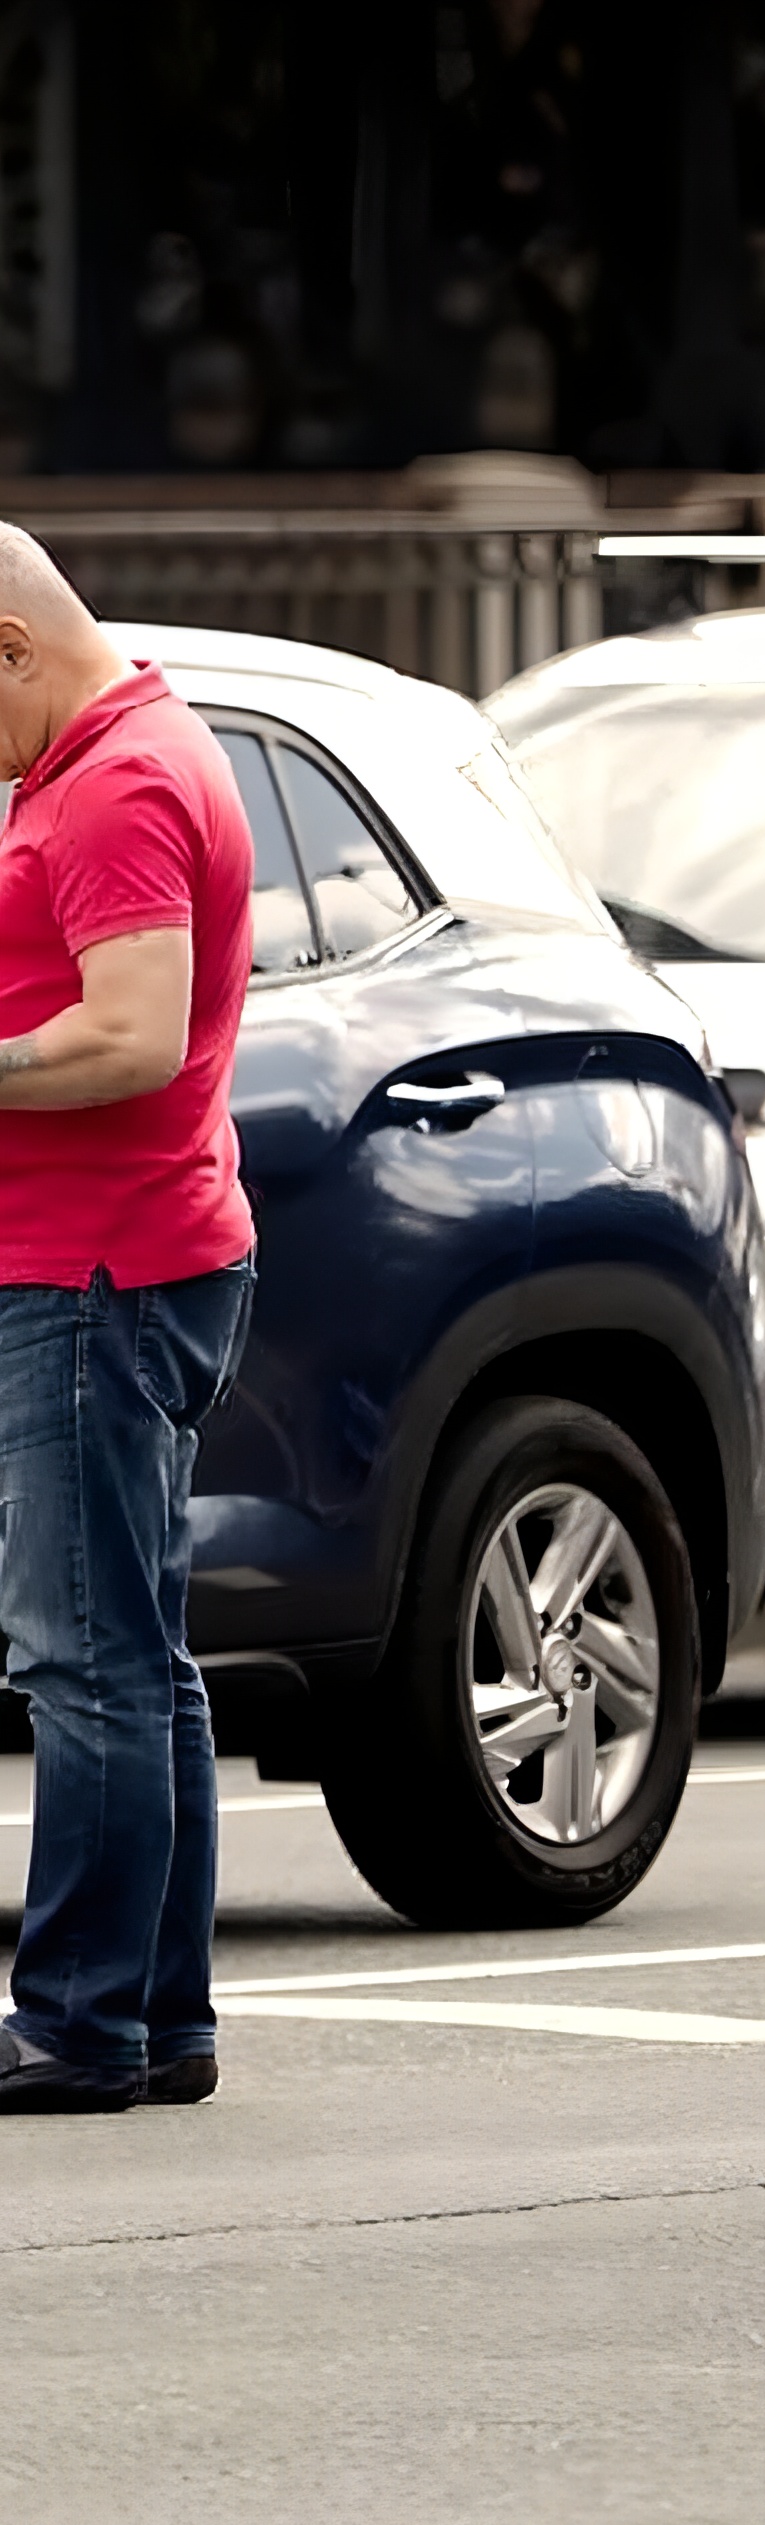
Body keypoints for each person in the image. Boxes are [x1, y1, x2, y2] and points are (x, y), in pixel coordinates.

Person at [0, 528, 255, 2112]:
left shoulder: (114, 785)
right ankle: (161, 2016)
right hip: (130, 1258)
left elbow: (133, 1035)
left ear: (8, 646)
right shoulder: (112, 752)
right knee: (140, 1659)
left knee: (80, 1662)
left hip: (92, 1275)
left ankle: (79, 2022)